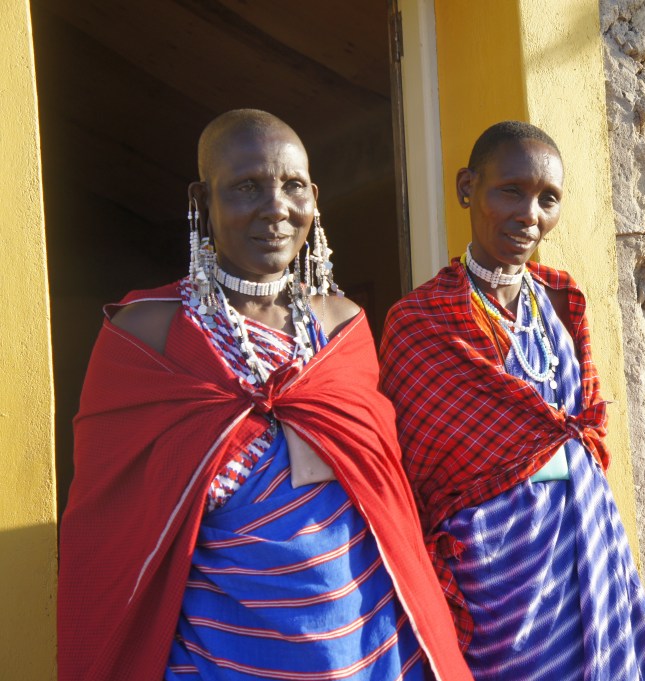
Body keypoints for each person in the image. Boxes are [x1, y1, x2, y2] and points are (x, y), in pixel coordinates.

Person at [57, 109, 472, 681]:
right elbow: (112, 521)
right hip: (219, 651)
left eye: (293, 185)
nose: (276, 207)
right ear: (202, 201)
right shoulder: (146, 332)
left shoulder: (343, 325)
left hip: (364, 637)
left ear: (315, 197)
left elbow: (382, 493)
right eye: (248, 186)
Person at [378, 121, 645, 680]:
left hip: (586, 537)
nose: (529, 214)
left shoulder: (562, 301)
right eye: (510, 190)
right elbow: (416, 474)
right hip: (493, 572)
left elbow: (587, 428)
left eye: (548, 199)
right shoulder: (419, 322)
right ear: (468, 187)